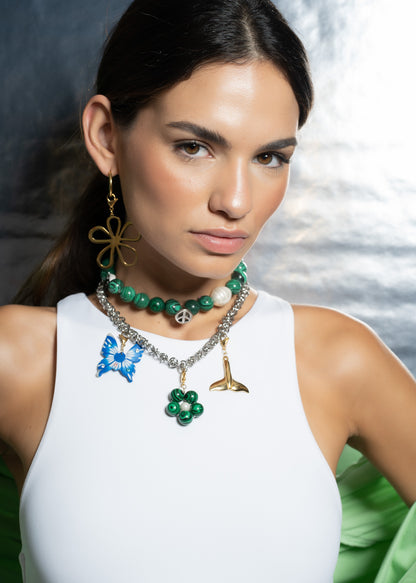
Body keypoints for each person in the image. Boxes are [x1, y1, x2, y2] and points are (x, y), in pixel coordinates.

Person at [0, 0, 415, 581]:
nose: (237, 201)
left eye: (270, 157)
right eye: (194, 146)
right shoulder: (19, 358)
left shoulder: (337, 359)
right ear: (106, 137)